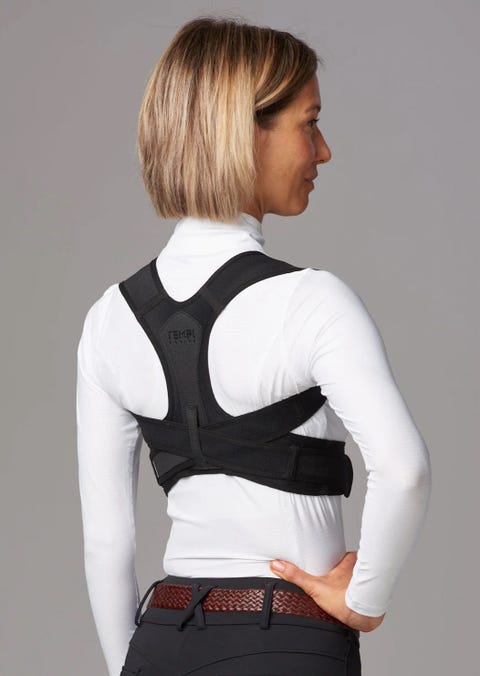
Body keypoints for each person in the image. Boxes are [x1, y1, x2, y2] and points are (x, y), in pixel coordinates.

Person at [76, 15, 432, 676]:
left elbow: (106, 544)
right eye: (309, 124)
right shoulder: (312, 300)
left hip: (159, 638)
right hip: (284, 640)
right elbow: (403, 469)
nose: (323, 151)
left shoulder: (108, 320)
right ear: (245, 132)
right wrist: (364, 601)